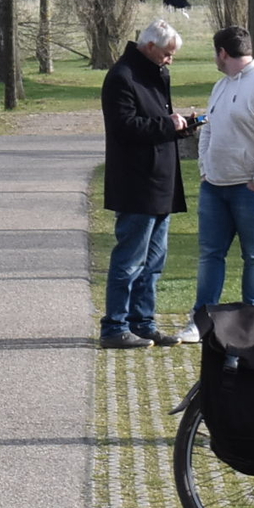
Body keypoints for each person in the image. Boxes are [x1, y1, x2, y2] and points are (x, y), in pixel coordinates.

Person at [99, 21, 194, 349]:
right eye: (168, 54)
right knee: (130, 259)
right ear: (150, 46)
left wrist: (179, 126)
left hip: (160, 184)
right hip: (136, 183)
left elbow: (155, 122)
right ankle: (114, 326)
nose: (170, 61)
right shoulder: (122, 77)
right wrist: (166, 125)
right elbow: (125, 126)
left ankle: (143, 322)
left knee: (153, 262)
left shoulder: (154, 73)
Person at [190, 25, 254, 326]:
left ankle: (251, 321)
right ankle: (202, 319)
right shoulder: (221, 86)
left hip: (252, 189)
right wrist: (205, 169)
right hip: (215, 186)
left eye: (215, 54)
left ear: (222, 53)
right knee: (210, 255)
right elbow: (208, 126)